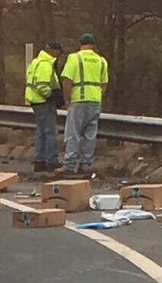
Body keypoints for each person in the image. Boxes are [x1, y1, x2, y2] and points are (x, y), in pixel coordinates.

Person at [59, 32, 109, 177]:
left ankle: (69, 165)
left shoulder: (74, 58)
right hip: (95, 101)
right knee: (90, 135)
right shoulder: (101, 61)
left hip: (79, 100)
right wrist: (98, 96)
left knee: (73, 133)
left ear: (80, 44)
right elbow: (104, 83)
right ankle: (86, 165)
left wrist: (66, 99)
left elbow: (67, 80)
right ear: (93, 45)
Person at [24, 40, 63, 173]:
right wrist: (52, 95)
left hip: (36, 101)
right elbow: (42, 86)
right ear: (52, 50)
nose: (59, 55)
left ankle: (40, 161)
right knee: (50, 132)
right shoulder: (46, 64)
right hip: (43, 101)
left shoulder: (36, 62)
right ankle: (51, 160)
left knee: (41, 132)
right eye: (58, 52)